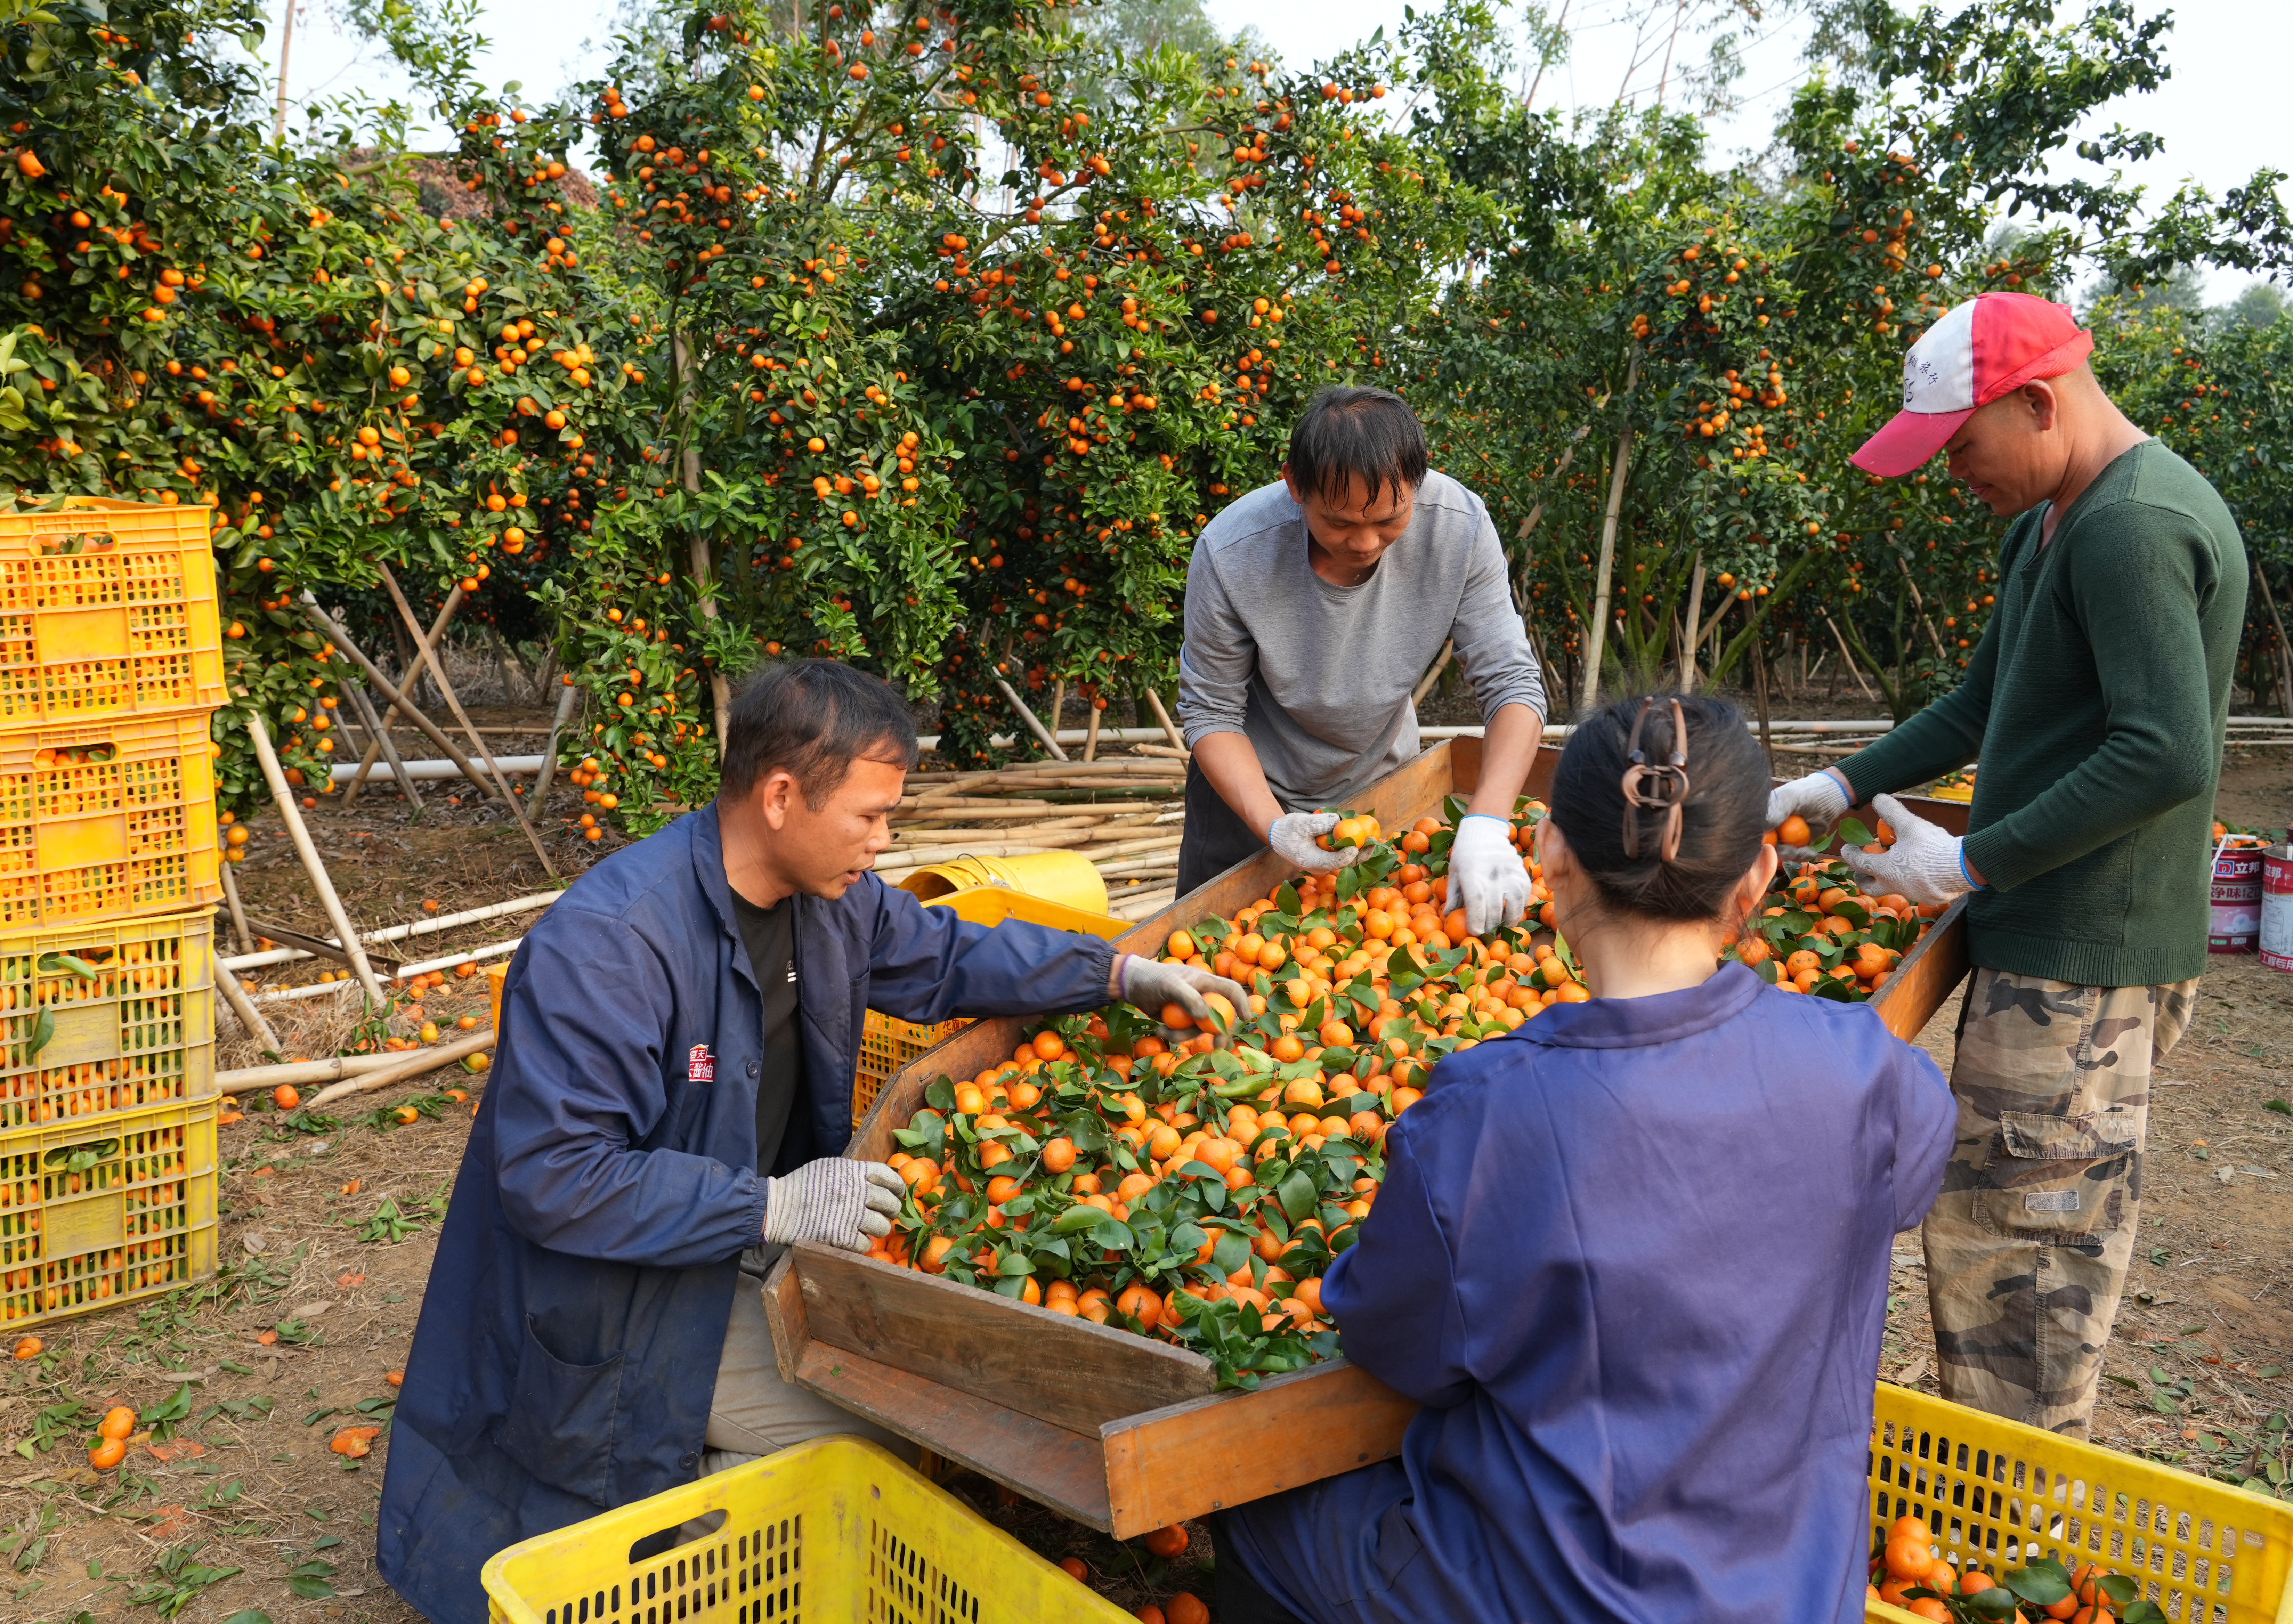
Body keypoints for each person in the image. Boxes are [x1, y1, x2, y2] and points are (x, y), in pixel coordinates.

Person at [375, 660, 1247, 1624]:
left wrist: (1117, 975)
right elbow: (556, 1177)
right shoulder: (613, 947)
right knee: (871, 1441)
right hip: (617, 1302)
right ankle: (685, 1511)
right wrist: (771, 1203)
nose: (885, 841)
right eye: (871, 815)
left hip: (730, 1255)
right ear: (782, 796)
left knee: (913, 1408)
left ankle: (706, 1475)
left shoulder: (833, 903)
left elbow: (949, 953)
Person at [1214, 694, 1957, 1624]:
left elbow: (1399, 1350)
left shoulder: (1483, 1113)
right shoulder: (1871, 1070)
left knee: (1250, 1505)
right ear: (1760, 876)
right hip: (1795, 1593)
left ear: (1550, 852)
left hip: (1558, 1596)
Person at [1767, 292, 2247, 1436]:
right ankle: (1999, 1487)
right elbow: (1985, 701)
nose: (1951, 473)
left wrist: (1971, 861)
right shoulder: (2052, 520)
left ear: (2035, 403)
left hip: (2082, 960)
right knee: (1993, 1235)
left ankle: (2015, 1516)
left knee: (2025, 1263)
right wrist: (1837, 783)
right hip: (2050, 936)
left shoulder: (2130, 526)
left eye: (1958, 444)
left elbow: (2162, 752)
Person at [1176, 386, 1545, 929]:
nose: (1367, 542)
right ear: (1294, 485)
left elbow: (1511, 682)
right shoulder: (1233, 552)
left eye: (1390, 520)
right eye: (1341, 524)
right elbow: (1212, 712)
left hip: (1382, 790)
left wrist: (1487, 821)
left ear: (1418, 480)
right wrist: (1275, 827)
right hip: (1248, 794)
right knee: (1220, 954)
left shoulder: (1459, 529)